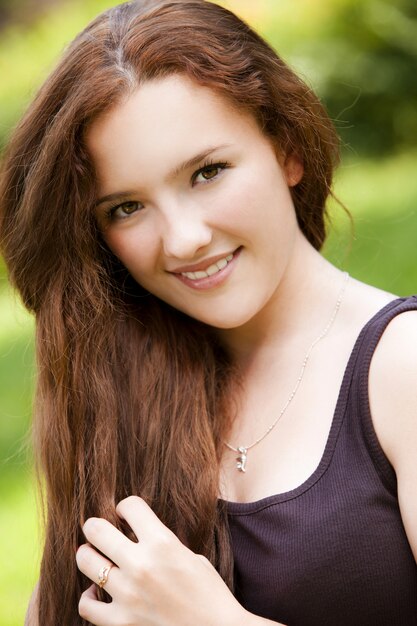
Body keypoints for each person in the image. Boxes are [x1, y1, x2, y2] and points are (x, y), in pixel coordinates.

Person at [0, 0, 416, 624]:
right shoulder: (122, 389)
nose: (183, 239)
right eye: (126, 208)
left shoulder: (401, 368)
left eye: (207, 171)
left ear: (288, 149)